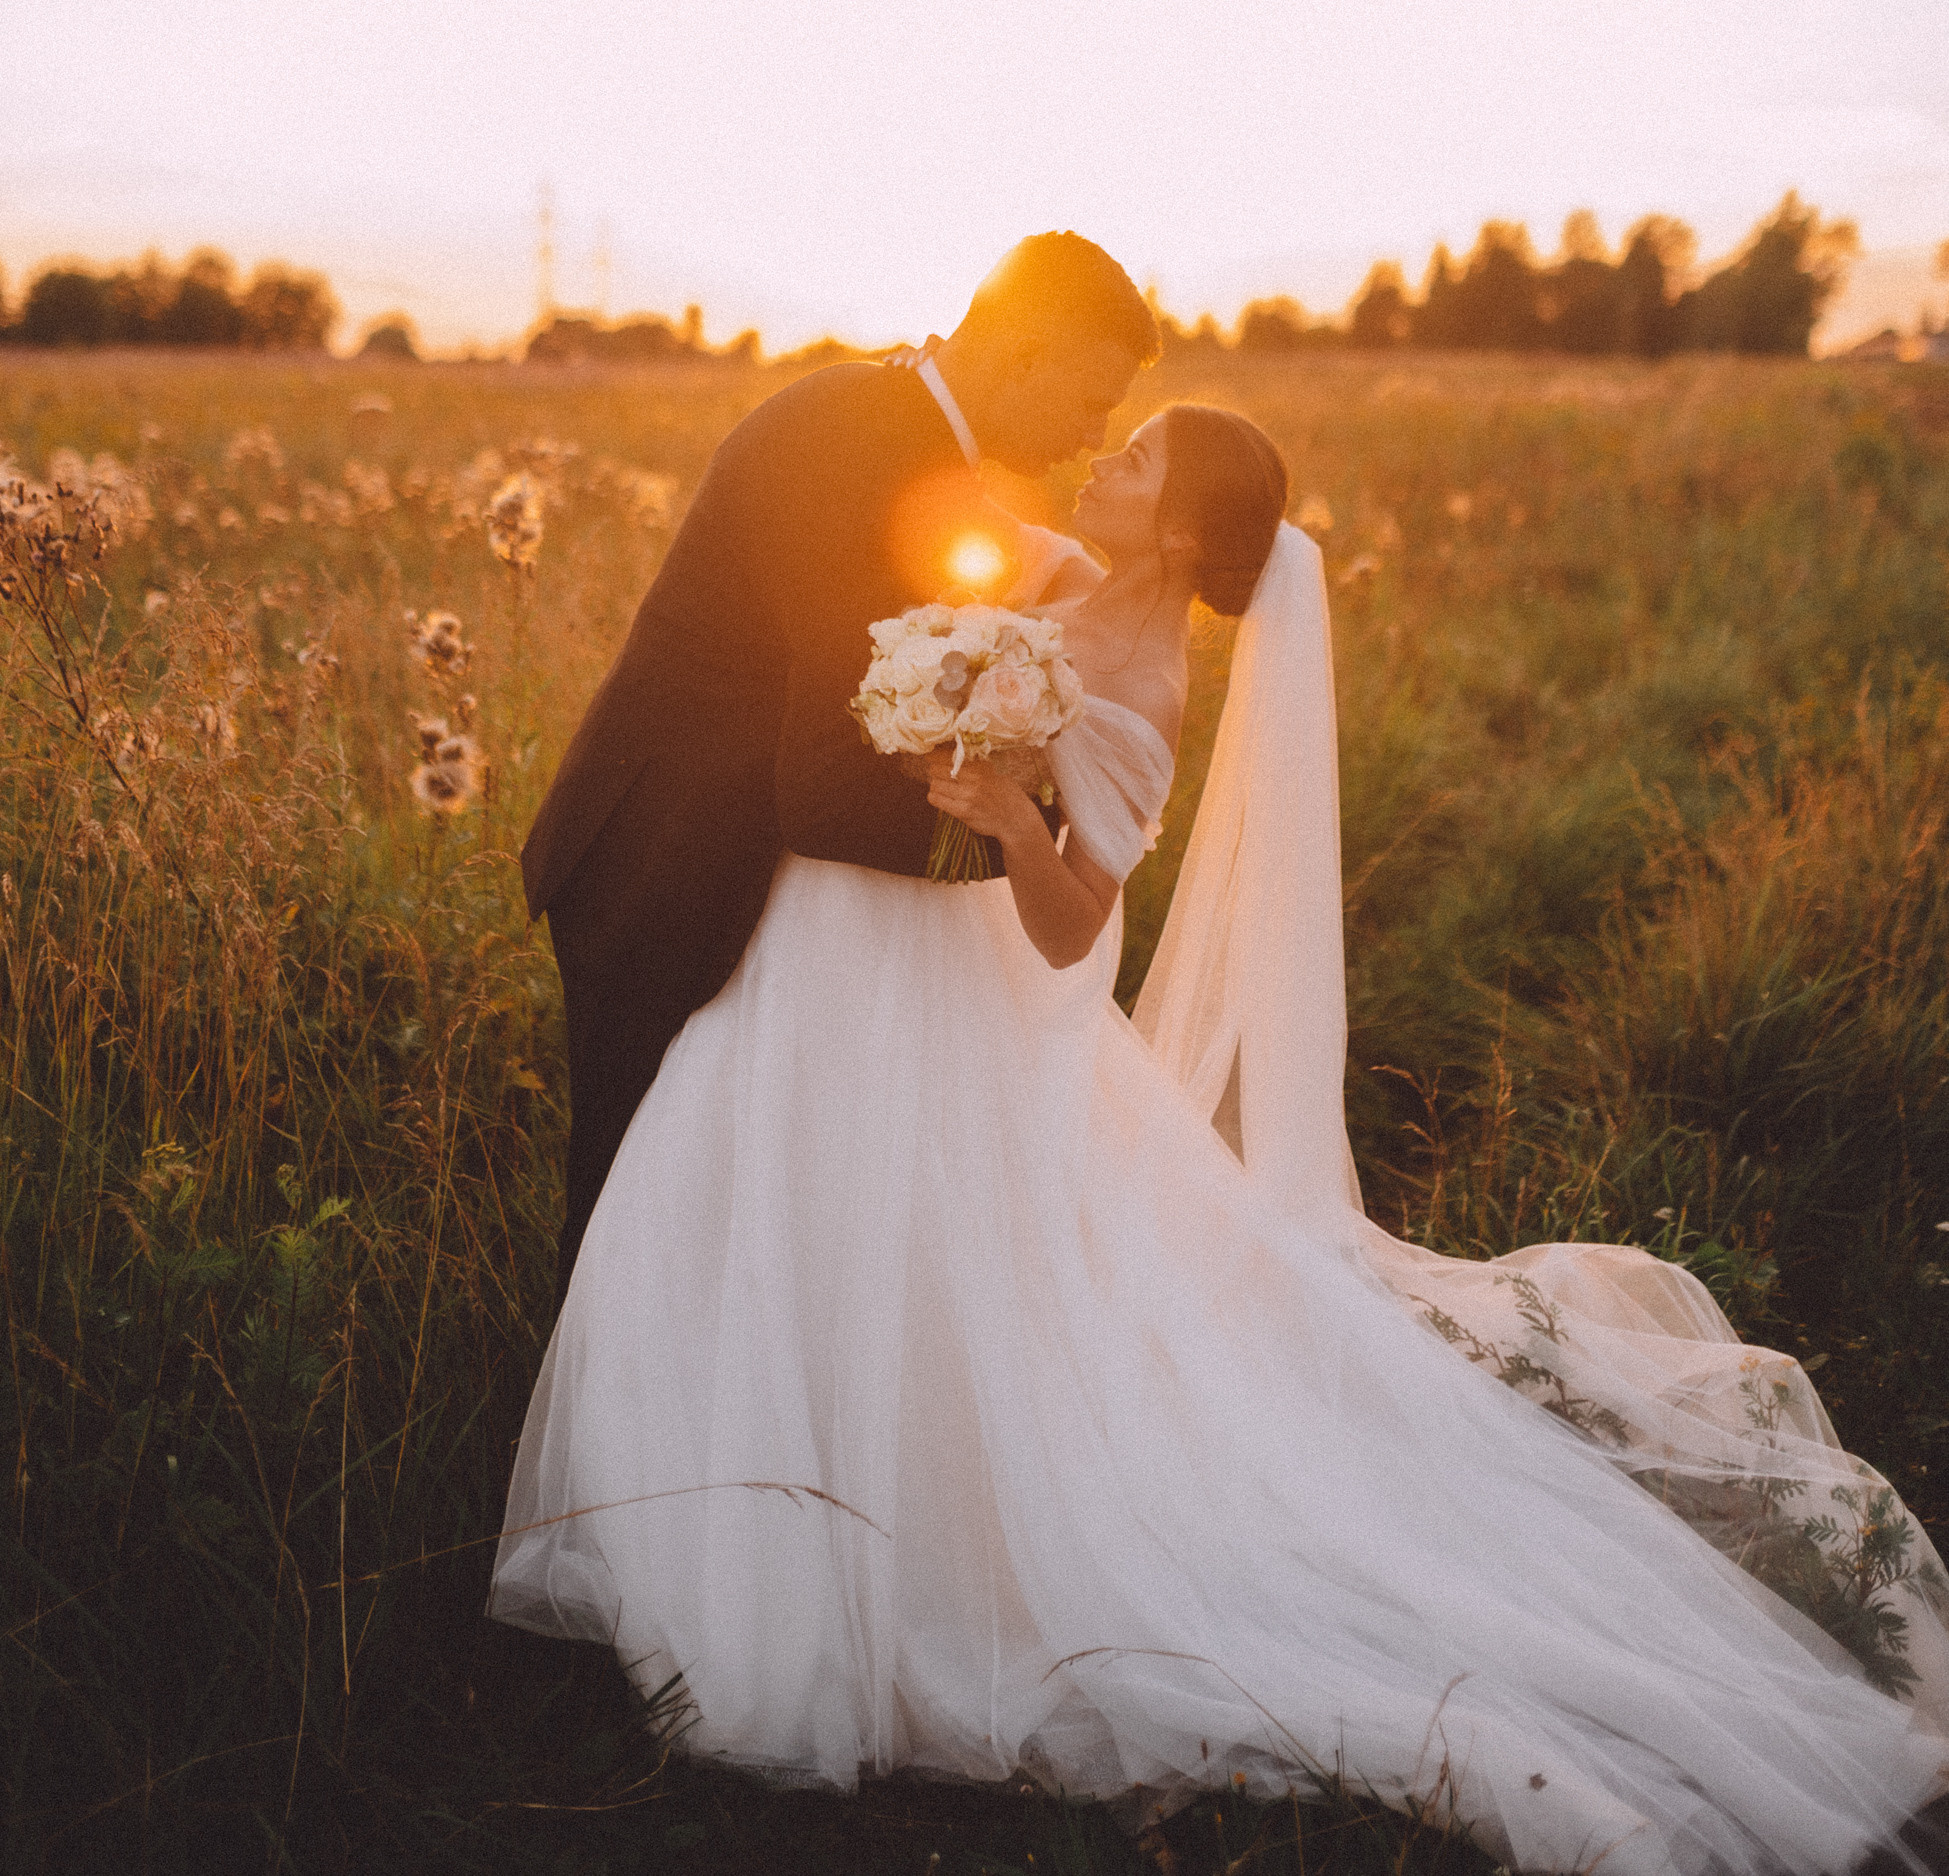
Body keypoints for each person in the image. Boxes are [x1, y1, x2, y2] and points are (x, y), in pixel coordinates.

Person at [494, 399, 1949, 1873]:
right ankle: (718, 1540)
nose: (1100, 462)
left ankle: (861, 1578)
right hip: (825, 945)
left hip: (962, 982)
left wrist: (1003, 813)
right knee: (746, 1200)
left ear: (1184, 531)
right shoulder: (1049, 570)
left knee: (910, 1262)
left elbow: (1074, 934)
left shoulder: (1140, 683)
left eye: (1134, 463)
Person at [520, 230, 1158, 1299]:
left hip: (701, 839)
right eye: (1088, 400)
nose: (1091, 436)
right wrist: (1030, 849)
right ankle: (597, 1459)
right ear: (1022, 355)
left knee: (683, 1217)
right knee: (628, 1229)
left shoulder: (892, 418)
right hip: (662, 862)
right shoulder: (871, 446)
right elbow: (821, 789)